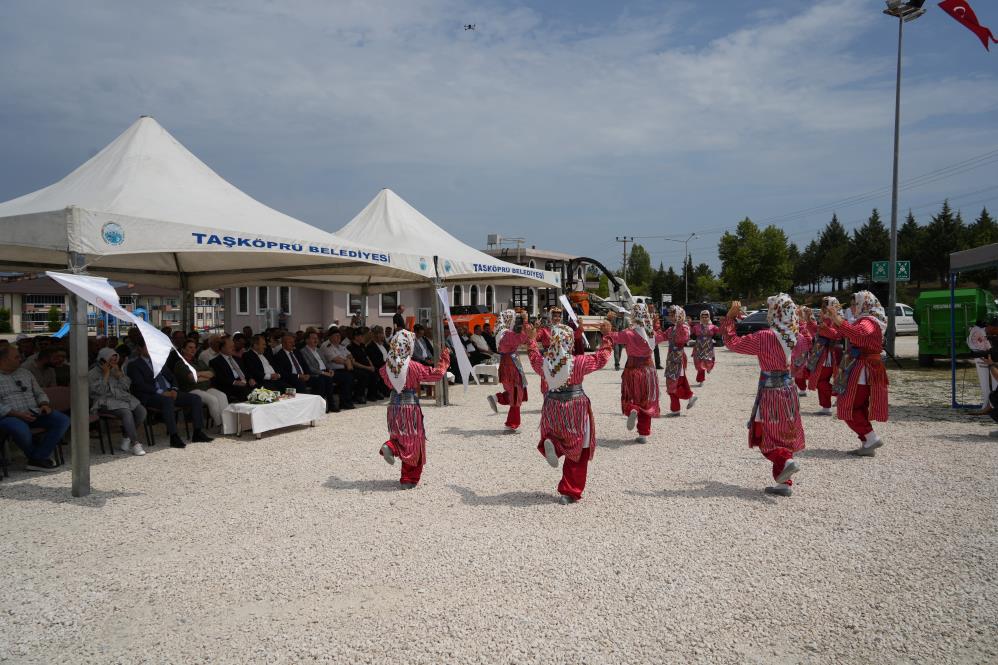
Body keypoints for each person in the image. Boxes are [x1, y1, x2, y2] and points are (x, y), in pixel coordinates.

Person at [721, 296, 806, 497]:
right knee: (786, 432)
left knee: (766, 435)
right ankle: (784, 483)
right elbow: (804, 356)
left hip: (770, 391)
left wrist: (729, 319)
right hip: (789, 389)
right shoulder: (798, 336)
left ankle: (784, 461)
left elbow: (733, 343)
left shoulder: (765, 337)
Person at [526, 321, 613, 504]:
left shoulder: (546, 363)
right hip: (575, 405)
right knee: (579, 448)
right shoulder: (578, 362)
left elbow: (533, 357)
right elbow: (601, 358)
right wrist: (607, 338)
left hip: (552, 405)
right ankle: (570, 490)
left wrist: (532, 341)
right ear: (570, 342)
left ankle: (553, 444)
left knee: (558, 434)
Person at [378, 330, 451, 489]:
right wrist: (445, 359)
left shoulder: (387, 366)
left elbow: (383, 376)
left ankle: (390, 446)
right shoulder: (413, 366)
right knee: (414, 441)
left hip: (393, 406)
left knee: (400, 437)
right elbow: (436, 375)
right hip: (409, 406)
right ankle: (409, 479)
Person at [828, 291, 890, 457]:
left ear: (865, 305)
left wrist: (839, 320)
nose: (852, 307)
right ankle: (867, 442)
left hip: (863, 369)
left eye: (855, 304)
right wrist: (836, 320)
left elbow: (859, 334)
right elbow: (843, 333)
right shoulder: (868, 320)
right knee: (858, 407)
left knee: (849, 406)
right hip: (865, 367)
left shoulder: (868, 321)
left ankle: (871, 437)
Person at [127, 338, 213, 448]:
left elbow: (172, 377)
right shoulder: (134, 365)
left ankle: (197, 432)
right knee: (167, 401)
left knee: (195, 398)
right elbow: (140, 385)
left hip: (169, 392)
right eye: (147, 347)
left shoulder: (158, 361)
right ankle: (174, 436)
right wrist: (160, 392)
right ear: (140, 348)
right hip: (151, 395)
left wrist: (174, 389)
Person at [604, 303, 668, 442]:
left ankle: (633, 409)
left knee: (631, 396)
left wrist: (607, 328)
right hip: (648, 370)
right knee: (647, 400)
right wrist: (656, 325)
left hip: (632, 368)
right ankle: (643, 434)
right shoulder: (651, 334)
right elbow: (663, 337)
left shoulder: (628, 333)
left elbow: (613, 337)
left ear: (632, 315)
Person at [0, 345, 69, 471]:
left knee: (62, 420)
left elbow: (39, 392)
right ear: (4, 360)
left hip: (34, 412)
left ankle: (37, 457)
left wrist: (44, 404)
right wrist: (17, 414)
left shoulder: (25, 373)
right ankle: (38, 459)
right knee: (20, 429)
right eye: (16, 357)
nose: (20, 359)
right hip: (10, 416)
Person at [90, 347, 148, 455]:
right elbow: (99, 392)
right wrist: (106, 374)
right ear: (103, 359)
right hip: (104, 401)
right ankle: (135, 443)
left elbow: (126, 387)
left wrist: (120, 376)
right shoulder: (93, 373)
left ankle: (127, 436)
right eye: (110, 360)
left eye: (115, 360)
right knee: (126, 412)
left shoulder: (115, 369)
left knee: (141, 411)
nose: (113, 362)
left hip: (121, 398)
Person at [486, 309, 530, 431]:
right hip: (511, 364)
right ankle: (511, 424)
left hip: (509, 362)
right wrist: (525, 322)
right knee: (516, 392)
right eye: (514, 318)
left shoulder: (503, 333)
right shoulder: (506, 335)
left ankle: (497, 398)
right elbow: (523, 338)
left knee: (516, 391)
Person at [175, 340, 229, 428]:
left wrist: (198, 373)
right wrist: (204, 375)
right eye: (190, 347)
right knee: (212, 399)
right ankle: (221, 425)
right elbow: (192, 379)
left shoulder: (199, 362)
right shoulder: (180, 364)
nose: (193, 350)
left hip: (206, 388)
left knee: (222, 396)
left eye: (195, 347)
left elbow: (212, 374)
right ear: (183, 349)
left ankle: (228, 425)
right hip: (191, 390)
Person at [297, 331, 355, 412]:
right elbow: (309, 368)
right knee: (325, 379)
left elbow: (325, 363)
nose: (316, 340)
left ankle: (345, 402)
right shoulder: (303, 351)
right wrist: (324, 373)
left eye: (317, 338)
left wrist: (330, 370)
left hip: (326, 371)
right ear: (307, 340)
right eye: (313, 338)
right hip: (316, 374)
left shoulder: (318, 350)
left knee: (347, 377)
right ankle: (329, 404)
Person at [807, 297, 845, 415]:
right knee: (820, 380)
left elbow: (837, 335)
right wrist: (809, 319)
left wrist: (824, 328)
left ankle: (837, 398)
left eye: (825, 305)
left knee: (820, 380)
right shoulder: (825, 318)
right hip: (821, 352)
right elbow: (815, 331)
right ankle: (829, 403)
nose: (823, 308)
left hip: (830, 354)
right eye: (823, 305)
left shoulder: (838, 319)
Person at [663, 306, 697, 415]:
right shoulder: (672, 328)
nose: (671, 317)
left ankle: (686, 399)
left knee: (674, 383)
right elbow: (662, 336)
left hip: (678, 358)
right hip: (671, 358)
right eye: (670, 315)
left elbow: (684, 339)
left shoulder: (683, 327)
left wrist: (679, 327)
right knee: (675, 381)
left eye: (673, 315)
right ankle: (678, 407)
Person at [209, 337, 252, 403]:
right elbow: (219, 378)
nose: (233, 348)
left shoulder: (237, 358)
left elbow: (245, 371)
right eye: (230, 346)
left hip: (244, 382)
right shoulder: (215, 362)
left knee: (260, 388)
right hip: (231, 385)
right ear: (223, 348)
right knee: (245, 391)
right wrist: (234, 382)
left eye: (233, 346)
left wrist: (250, 379)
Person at [348, 328, 381, 401]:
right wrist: (367, 367)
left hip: (366, 367)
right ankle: (358, 395)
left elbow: (367, 357)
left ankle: (372, 394)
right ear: (355, 337)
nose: (361, 337)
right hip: (358, 367)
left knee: (376, 371)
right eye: (359, 336)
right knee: (365, 375)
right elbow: (354, 363)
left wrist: (371, 365)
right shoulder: (350, 347)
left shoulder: (362, 346)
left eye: (362, 336)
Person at [968, 318, 993, 415]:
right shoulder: (981, 331)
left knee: (985, 383)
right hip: (985, 357)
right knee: (991, 384)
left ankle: (987, 404)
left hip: (980, 358)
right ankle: (988, 405)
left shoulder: (974, 330)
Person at [791, 306, 817, 397]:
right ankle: (802, 389)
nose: (798, 315)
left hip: (805, 352)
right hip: (798, 351)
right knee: (797, 371)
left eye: (800, 314)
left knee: (801, 371)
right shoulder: (796, 325)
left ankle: (803, 389)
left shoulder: (808, 325)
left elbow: (810, 338)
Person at [691, 310, 719, 386]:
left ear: (709, 317)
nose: (704, 318)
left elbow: (718, 335)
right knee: (700, 364)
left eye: (706, 317)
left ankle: (709, 368)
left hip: (708, 347)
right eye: (702, 317)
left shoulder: (713, 327)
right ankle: (701, 380)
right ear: (700, 317)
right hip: (698, 347)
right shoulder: (696, 327)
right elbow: (692, 335)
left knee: (709, 361)